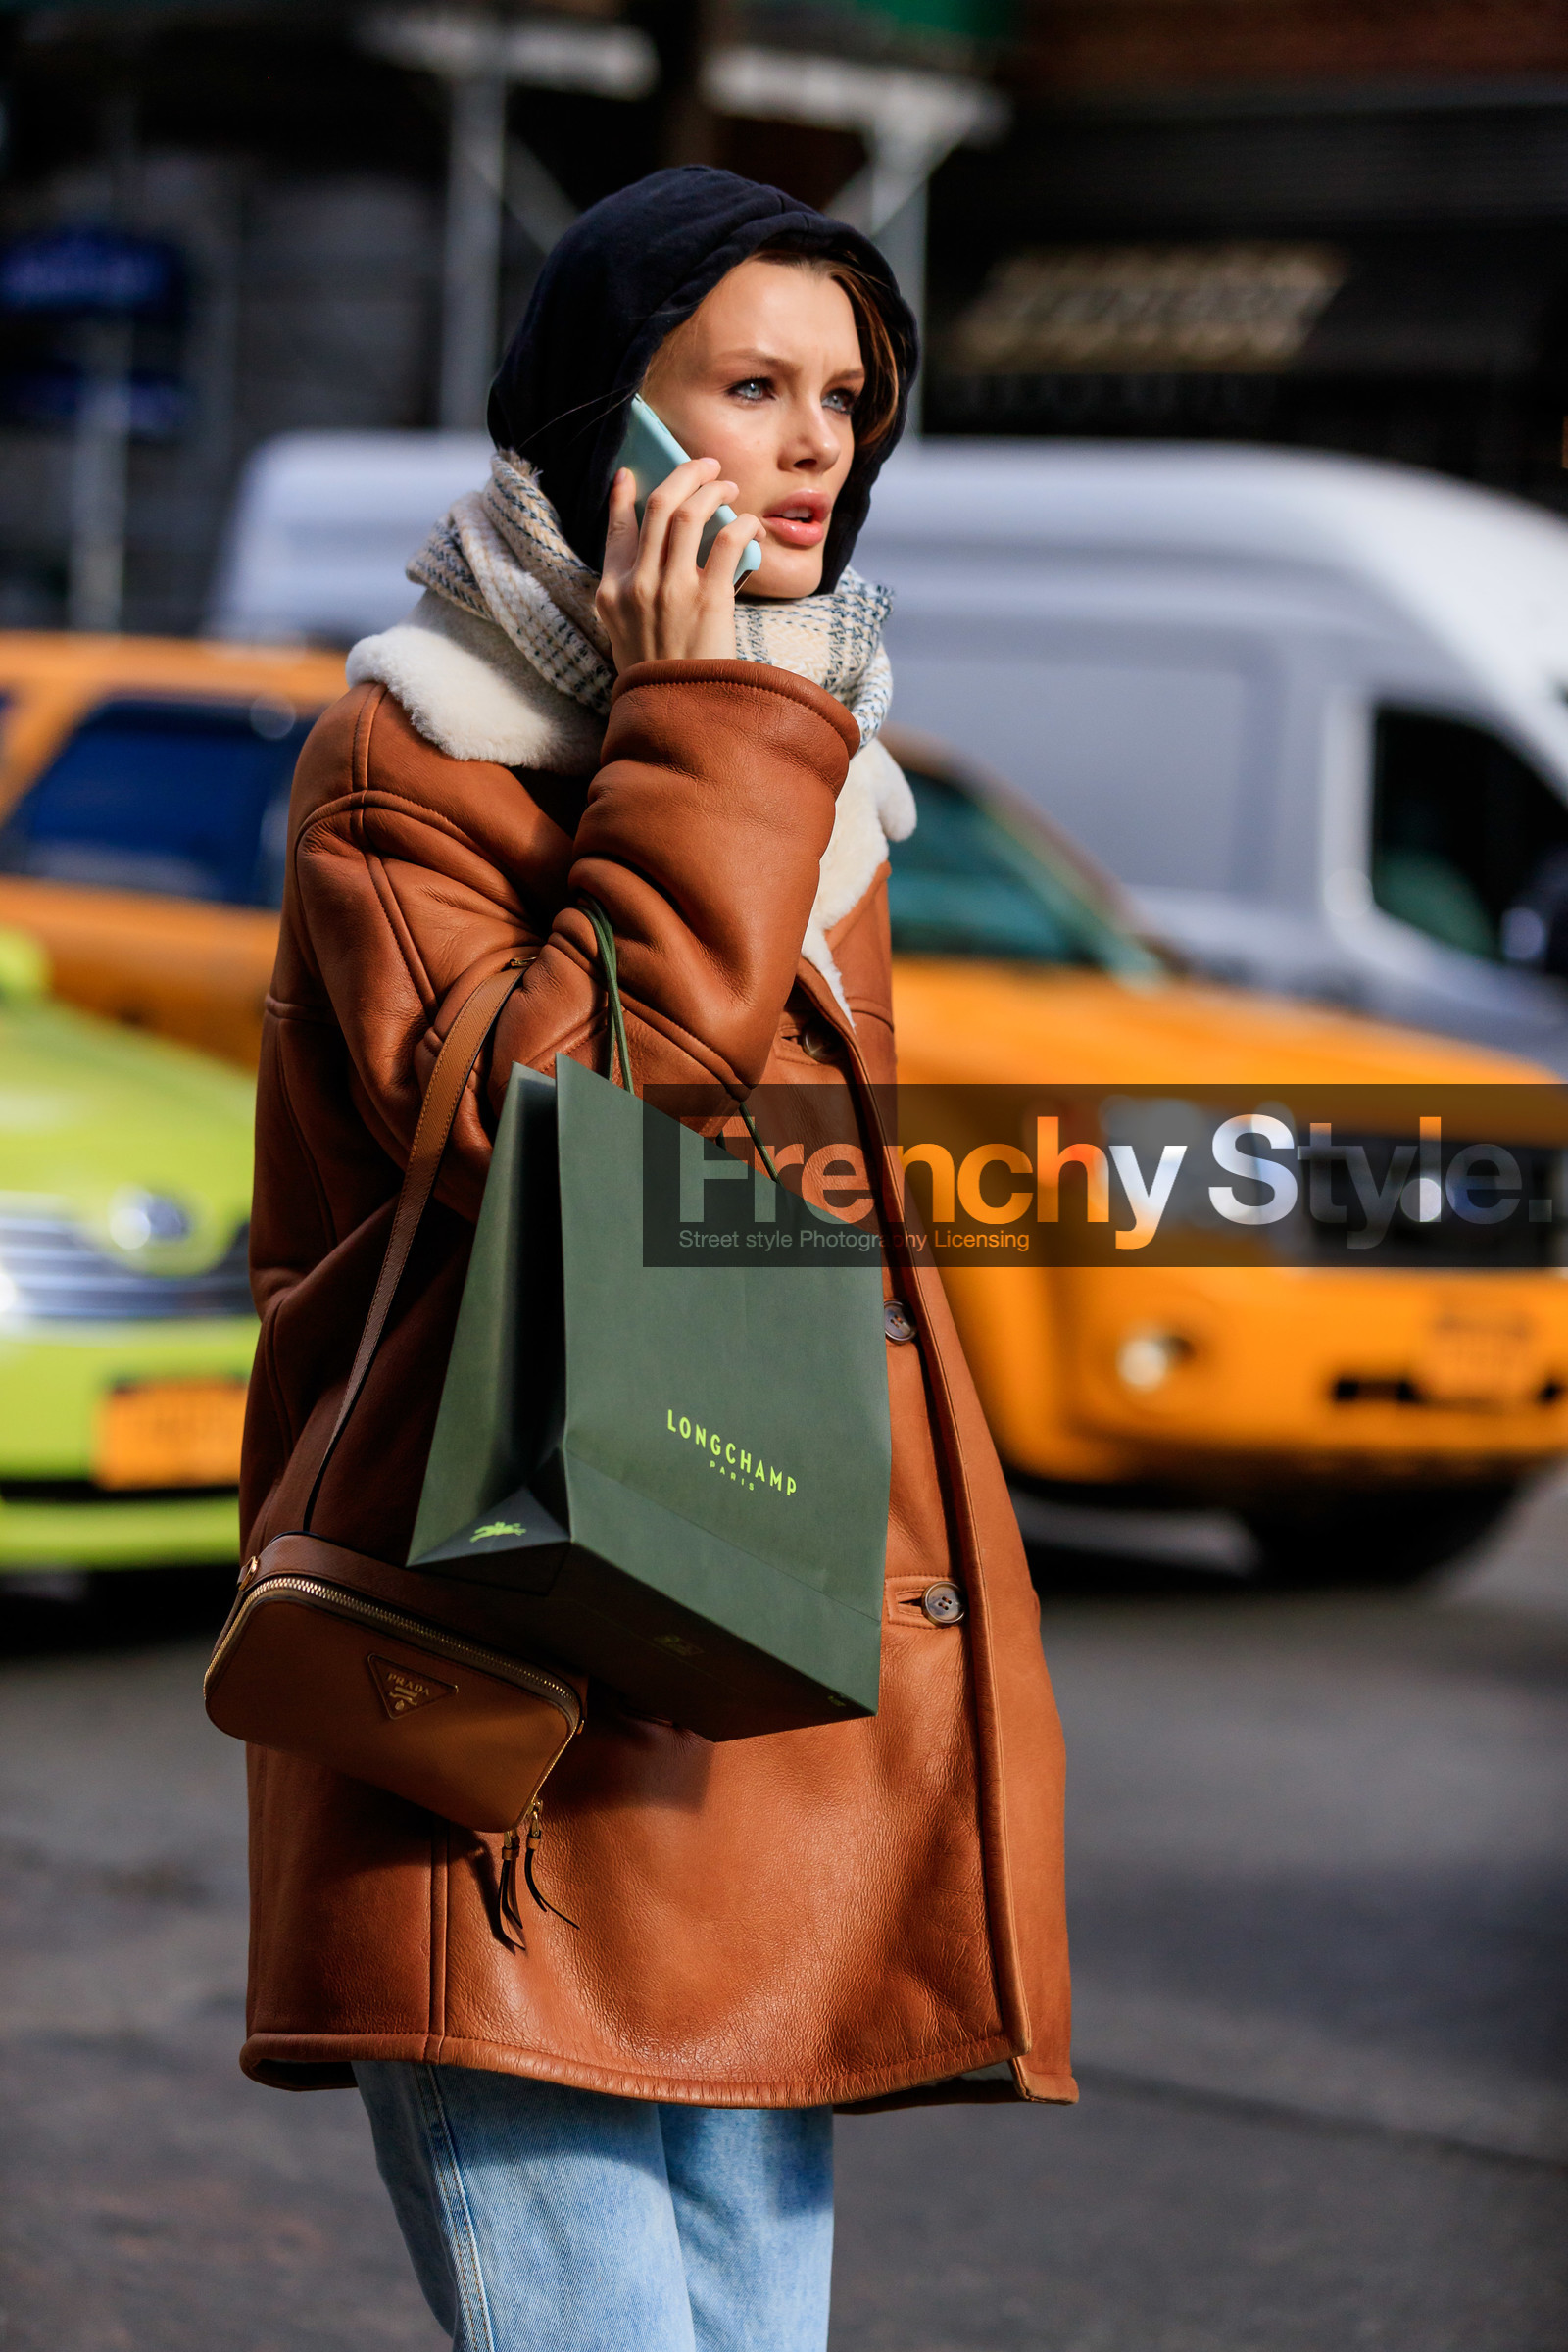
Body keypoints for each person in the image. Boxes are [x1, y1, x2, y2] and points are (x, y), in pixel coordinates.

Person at [239, 166, 1073, 2352]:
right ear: (605, 416)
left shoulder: (813, 783)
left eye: (847, 402)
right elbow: (564, 1127)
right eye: (749, 387)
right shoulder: (409, 760)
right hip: (493, 1697)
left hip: (728, 1677)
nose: (812, 447)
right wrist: (704, 732)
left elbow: (775, 1225)